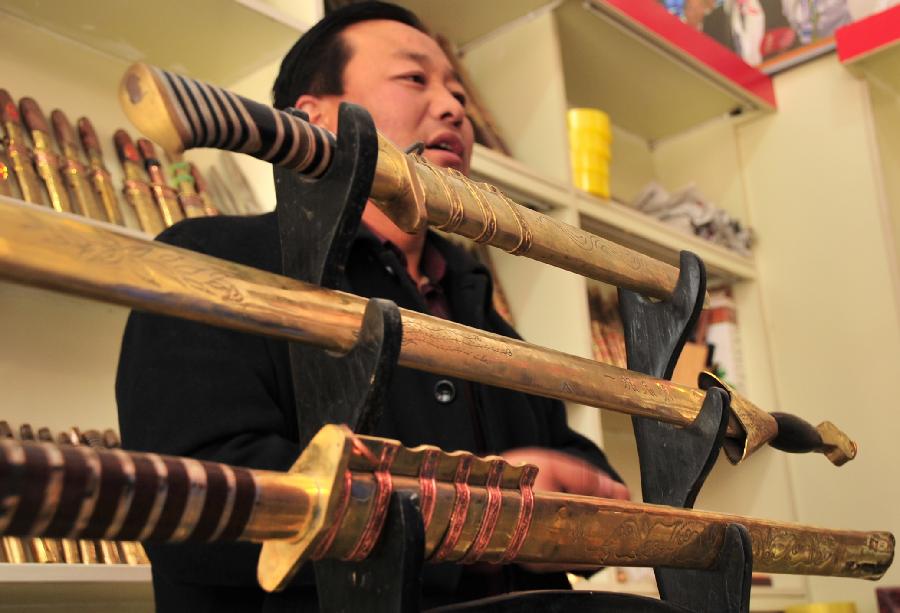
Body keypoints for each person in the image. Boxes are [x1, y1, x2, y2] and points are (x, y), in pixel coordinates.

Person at [116, 3, 628, 611]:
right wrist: (481, 511)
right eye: (415, 79)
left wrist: (589, 505)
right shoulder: (212, 259)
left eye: (458, 91)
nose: (453, 109)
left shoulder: (484, 316)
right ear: (314, 118)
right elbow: (197, 506)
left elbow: (574, 468)